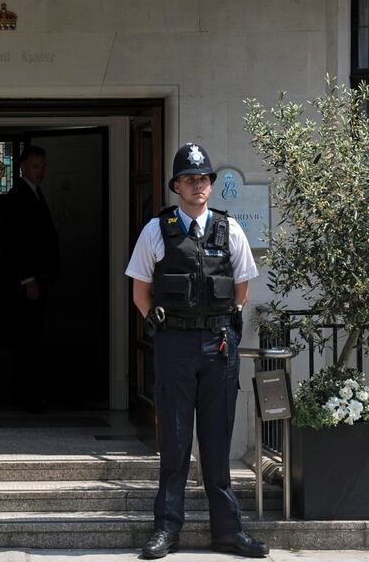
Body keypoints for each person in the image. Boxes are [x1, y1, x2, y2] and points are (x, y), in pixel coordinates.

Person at [125, 143, 267, 559]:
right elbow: (139, 291)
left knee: (217, 440)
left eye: (203, 178)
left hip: (218, 346)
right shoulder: (156, 230)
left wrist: (234, 317)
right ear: (177, 186)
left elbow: (242, 283)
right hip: (175, 346)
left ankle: (227, 531)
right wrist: (159, 322)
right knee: (174, 441)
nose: (198, 185)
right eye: (190, 179)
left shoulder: (230, 229)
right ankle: (167, 529)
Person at [0, 144, 60, 411]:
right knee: (26, 340)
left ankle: (31, 394)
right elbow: (14, 242)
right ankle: (23, 397)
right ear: (23, 167)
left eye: (43, 166)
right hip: (26, 284)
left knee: (34, 338)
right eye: (35, 166)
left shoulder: (35, 193)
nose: (40, 171)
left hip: (39, 279)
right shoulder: (16, 197)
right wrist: (27, 278)